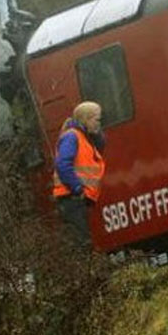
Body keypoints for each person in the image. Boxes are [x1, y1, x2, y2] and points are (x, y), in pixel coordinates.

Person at [52, 102, 106, 247]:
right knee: (82, 243)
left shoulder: (84, 137)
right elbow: (63, 164)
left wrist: (96, 134)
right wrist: (77, 188)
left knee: (82, 241)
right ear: (87, 119)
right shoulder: (72, 137)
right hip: (71, 197)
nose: (99, 124)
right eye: (97, 120)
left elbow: (101, 145)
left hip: (76, 198)